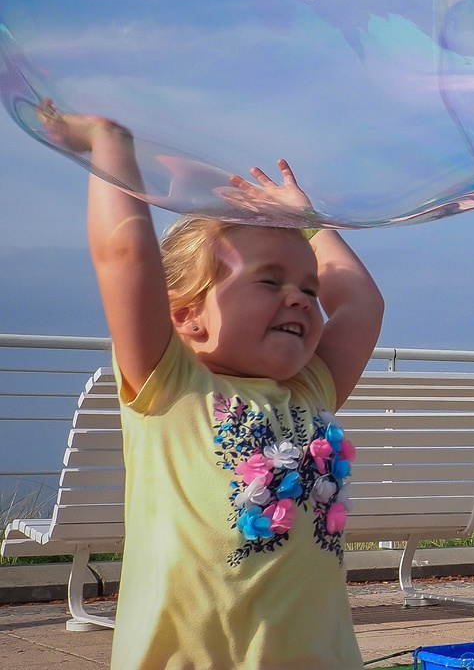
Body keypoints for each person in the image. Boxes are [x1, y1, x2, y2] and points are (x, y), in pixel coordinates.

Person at [38, 101, 385, 670]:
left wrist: (306, 222)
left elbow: (361, 301)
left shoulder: (310, 390)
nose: (299, 296)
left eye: (308, 289)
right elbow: (124, 254)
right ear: (184, 316)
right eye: (269, 281)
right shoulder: (170, 385)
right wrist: (110, 143)